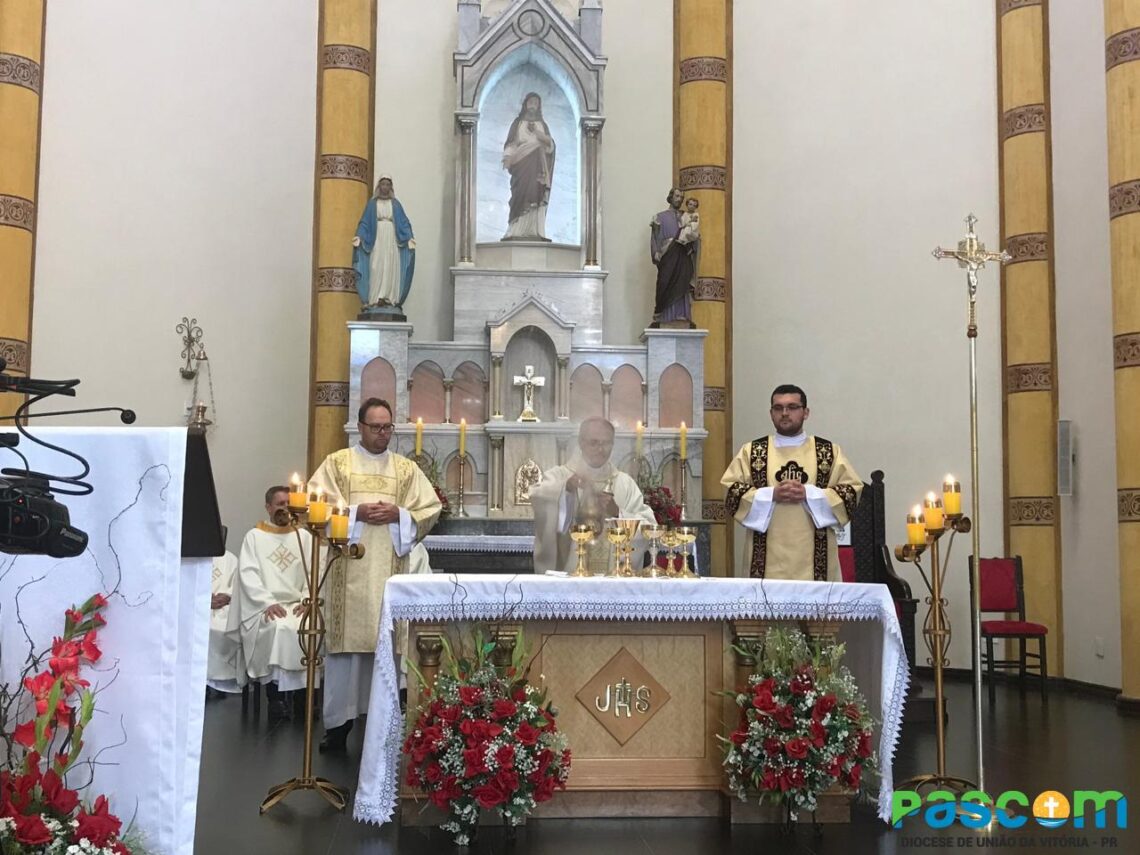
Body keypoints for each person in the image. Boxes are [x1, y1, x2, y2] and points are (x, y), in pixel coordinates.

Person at [307, 397, 441, 752]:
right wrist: (356, 513)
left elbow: (430, 508)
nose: (382, 433)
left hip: (388, 577)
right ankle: (339, 725)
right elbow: (314, 505)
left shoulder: (406, 470)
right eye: (376, 427)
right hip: (347, 574)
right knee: (346, 655)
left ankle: (385, 723)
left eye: (387, 427)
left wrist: (399, 515)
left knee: (386, 647)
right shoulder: (337, 464)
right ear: (360, 427)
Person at [721, 385, 862, 581]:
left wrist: (808, 494)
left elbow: (851, 491)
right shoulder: (753, 452)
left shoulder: (828, 452)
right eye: (778, 408)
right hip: (765, 562)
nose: (785, 413)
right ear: (771, 414)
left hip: (816, 563)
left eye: (792, 407)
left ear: (806, 412)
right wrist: (772, 495)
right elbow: (730, 491)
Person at [531, 417, 657, 574]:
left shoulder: (625, 484)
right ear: (581, 443)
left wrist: (618, 513)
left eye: (606, 443)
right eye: (594, 442)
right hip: (570, 579)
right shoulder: (559, 477)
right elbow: (540, 502)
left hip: (613, 581)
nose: (600, 449)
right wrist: (566, 492)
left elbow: (649, 528)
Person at [230, 488, 312, 720]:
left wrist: (307, 600)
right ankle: (275, 697)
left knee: (309, 626)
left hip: (298, 604)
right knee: (278, 626)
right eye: (279, 504)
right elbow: (248, 574)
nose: (284, 508)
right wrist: (267, 602)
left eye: (288, 503)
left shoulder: (304, 537)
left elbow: (313, 572)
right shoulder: (254, 537)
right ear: (268, 507)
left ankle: (303, 697)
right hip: (264, 605)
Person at [352, 174, 416, 308]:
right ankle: (375, 298)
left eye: (387, 184)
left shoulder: (395, 204)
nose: (385, 187)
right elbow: (364, 223)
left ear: (390, 187)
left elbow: (404, 223)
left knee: (390, 264)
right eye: (383, 184)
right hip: (377, 238)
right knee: (376, 264)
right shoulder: (372, 204)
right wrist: (359, 236)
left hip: (391, 238)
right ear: (379, 186)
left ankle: (389, 297)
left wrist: (409, 237)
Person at [501, 92, 556, 241]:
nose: (533, 106)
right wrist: (507, 157)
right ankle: (516, 229)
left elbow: (550, 146)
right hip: (521, 165)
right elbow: (511, 143)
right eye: (530, 102)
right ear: (525, 104)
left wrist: (541, 136)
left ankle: (535, 230)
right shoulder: (518, 123)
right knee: (520, 194)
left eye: (536, 103)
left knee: (536, 195)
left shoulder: (543, 125)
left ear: (539, 106)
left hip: (538, 166)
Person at [649, 188, 700, 327]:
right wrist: (656, 252)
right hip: (667, 255)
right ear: (671, 197)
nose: (679, 199)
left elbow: (695, 235)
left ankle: (682, 315)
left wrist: (693, 241)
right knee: (665, 282)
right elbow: (655, 238)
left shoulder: (687, 216)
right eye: (677, 196)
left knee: (682, 283)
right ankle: (664, 315)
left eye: (682, 197)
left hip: (683, 254)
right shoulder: (660, 217)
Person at [205, 542, 241, 696]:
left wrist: (228, 596)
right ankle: (203, 683)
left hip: (225, 607)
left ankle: (224, 680)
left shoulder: (230, 558)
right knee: (202, 627)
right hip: (198, 607)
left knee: (228, 625)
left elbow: (239, 586)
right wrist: (204, 599)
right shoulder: (190, 558)